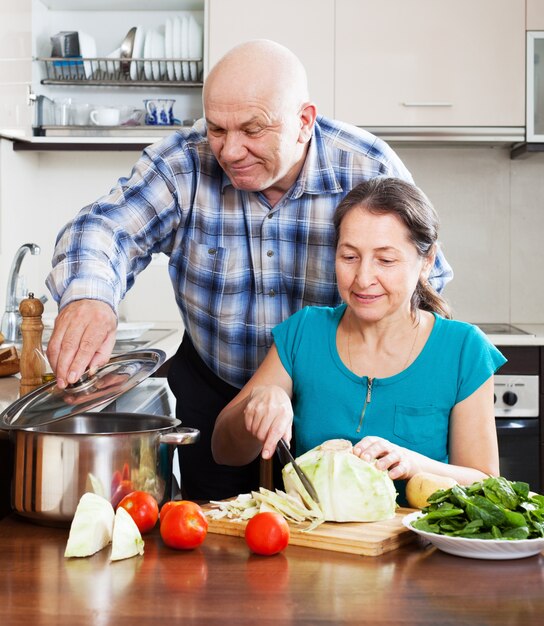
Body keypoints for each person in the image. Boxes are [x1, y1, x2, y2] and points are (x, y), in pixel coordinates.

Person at [46, 40, 453, 501]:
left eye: (252, 129)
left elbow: (419, 282)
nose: (231, 150)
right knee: (217, 541)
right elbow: (106, 228)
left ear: (303, 122)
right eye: (217, 128)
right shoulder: (184, 163)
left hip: (331, 403)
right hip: (215, 387)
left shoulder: (365, 166)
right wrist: (89, 294)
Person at [212, 177, 505, 502]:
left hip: (418, 548)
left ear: (427, 261)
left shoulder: (463, 349)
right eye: (349, 257)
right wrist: (258, 403)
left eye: (386, 260)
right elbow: (224, 451)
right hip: (318, 541)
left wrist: (414, 464)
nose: (363, 279)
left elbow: (485, 483)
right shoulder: (305, 331)